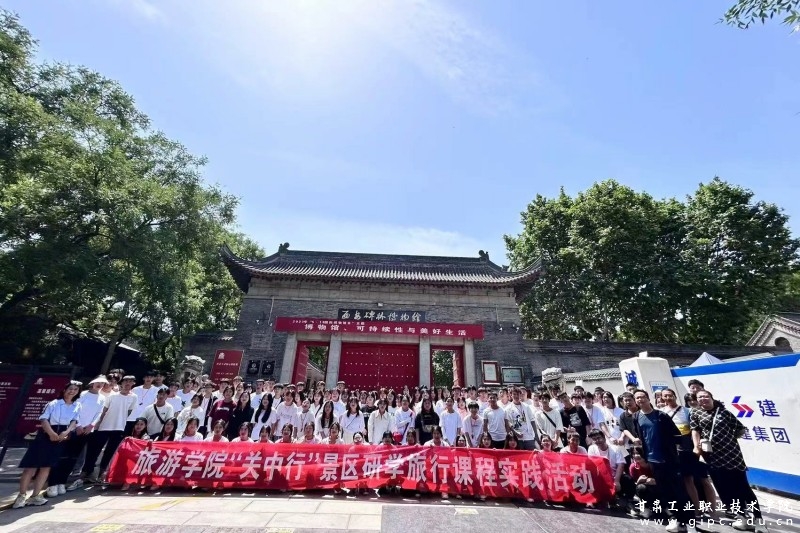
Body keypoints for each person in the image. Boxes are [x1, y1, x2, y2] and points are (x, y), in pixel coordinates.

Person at [692, 389, 763, 531]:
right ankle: (742, 517)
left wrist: (726, 440)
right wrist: (696, 446)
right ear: (697, 400)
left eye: (706, 396)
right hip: (712, 457)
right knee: (726, 489)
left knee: (743, 488)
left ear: (711, 397)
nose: (703, 399)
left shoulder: (724, 413)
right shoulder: (696, 413)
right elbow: (695, 430)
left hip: (733, 456)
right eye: (700, 397)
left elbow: (740, 429)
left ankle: (758, 519)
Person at [633, 389, 693, 533]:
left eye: (642, 397)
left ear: (648, 399)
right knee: (665, 492)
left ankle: (689, 522)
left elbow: (677, 436)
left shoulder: (661, 416)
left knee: (679, 492)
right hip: (652, 461)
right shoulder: (636, 416)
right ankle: (675, 519)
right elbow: (641, 436)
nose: (640, 400)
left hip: (668, 460)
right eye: (637, 398)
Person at [13, 381, 81, 508]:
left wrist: (66, 432)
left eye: (75, 389)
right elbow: (44, 419)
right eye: (70, 389)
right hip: (46, 434)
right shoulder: (53, 403)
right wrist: (51, 433)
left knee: (46, 467)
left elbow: (74, 421)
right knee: (31, 466)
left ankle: (35, 496)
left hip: (61, 435)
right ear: (65, 390)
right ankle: (21, 496)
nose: (72, 391)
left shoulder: (77, 405)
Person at [52, 376, 105, 494]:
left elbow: (99, 412)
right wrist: (79, 425)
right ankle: (54, 482)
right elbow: (76, 410)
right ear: (92, 383)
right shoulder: (83, 394)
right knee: (65, 455)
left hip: (88, 430)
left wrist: (91, 425)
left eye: (102, 383)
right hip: (74, 428)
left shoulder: (102, 398)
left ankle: (63, 482)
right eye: (98, 382)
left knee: (74, 457)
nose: (100, 385)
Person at [81, 375, 137, 484]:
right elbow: (103, 411)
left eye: (130, 381)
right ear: (121, 383)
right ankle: (87, 472)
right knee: (95, 451)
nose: (127, 383)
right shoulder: (112, 396)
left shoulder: (134, 397)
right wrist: (98, 424)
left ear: (133, 383)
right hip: (104, 427)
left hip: (119, 428)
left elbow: (129, 412)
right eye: (126, 381)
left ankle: (102, 474)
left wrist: (121, 420)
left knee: (110, 452)